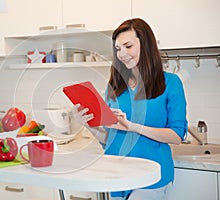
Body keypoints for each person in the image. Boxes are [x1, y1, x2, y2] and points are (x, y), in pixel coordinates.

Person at [74, 18, 188, 200]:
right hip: (116, 177)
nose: (122, 53)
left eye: (128, 46)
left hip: (151, 178)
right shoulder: (115, 86)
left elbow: (176, 136)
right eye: (118, 49)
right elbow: (108, 139)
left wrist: (133, 126)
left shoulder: (170, 83)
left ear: (146, 45)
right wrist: (88, 124)